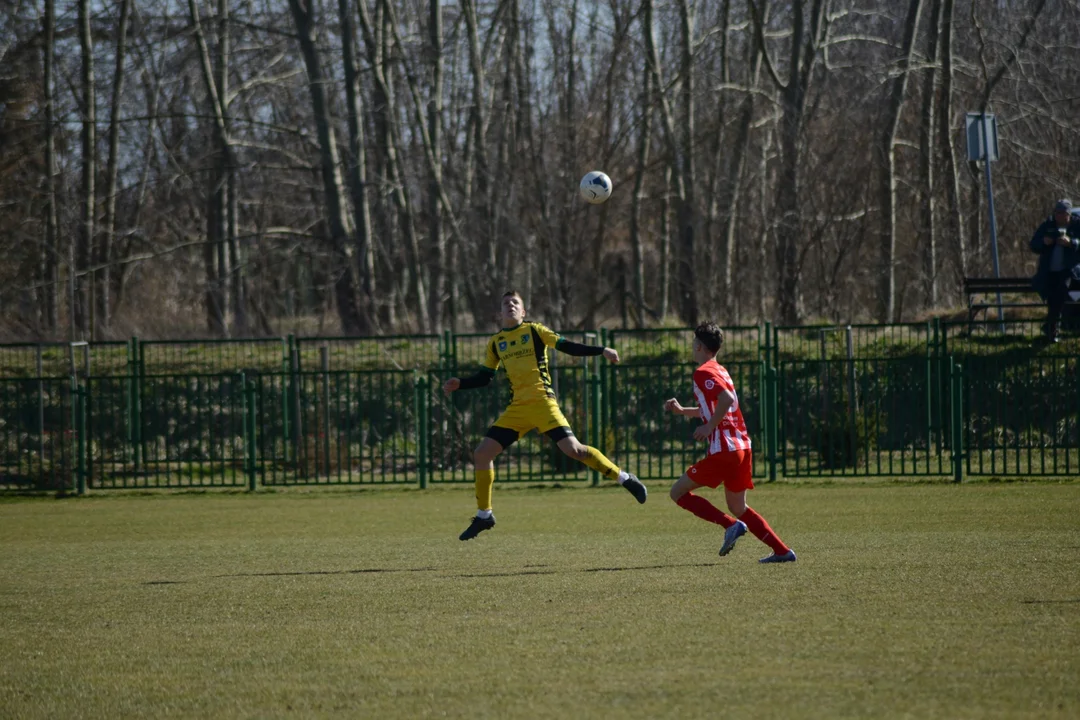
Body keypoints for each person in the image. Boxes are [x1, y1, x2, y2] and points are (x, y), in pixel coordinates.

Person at [443, 291, 647, 540]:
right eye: (506, 303)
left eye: (515, 303)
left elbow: (567, 346)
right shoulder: (496, 342)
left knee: (575, 451)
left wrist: (601, 350)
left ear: (523, 311)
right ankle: (484, 515)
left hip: (543, 403)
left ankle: (624, 478)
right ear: (500, 312)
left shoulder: (535, 331)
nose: (510, 306)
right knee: (482, 454)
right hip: (517, 409)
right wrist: (461, 383)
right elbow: (486, 376)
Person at [663, 322, 795, 563]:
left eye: (694, 343)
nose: (692, 347)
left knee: (677, 492)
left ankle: (730, 526)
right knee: (738, 505)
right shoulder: (720, 369)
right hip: (742, 448)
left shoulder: (702, 372)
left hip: (725, 450)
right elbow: (716, 406)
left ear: (700, 346)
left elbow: (726, 399)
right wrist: (683, 411)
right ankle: (782, 551)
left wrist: (709, 427)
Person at [1030, 199, 1080, 342]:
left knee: (1061, 291)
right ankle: (1052, 330)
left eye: (1061, 213)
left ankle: (1051, 328)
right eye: (1056, 212)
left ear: (1068, 214)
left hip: (1069, 270)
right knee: (1053, 298)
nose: (1058, 216)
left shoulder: (1076, 225)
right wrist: (1044, 242)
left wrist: (1072, 243)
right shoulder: (1048, 225)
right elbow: (1033, 244)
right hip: (1049, 271)